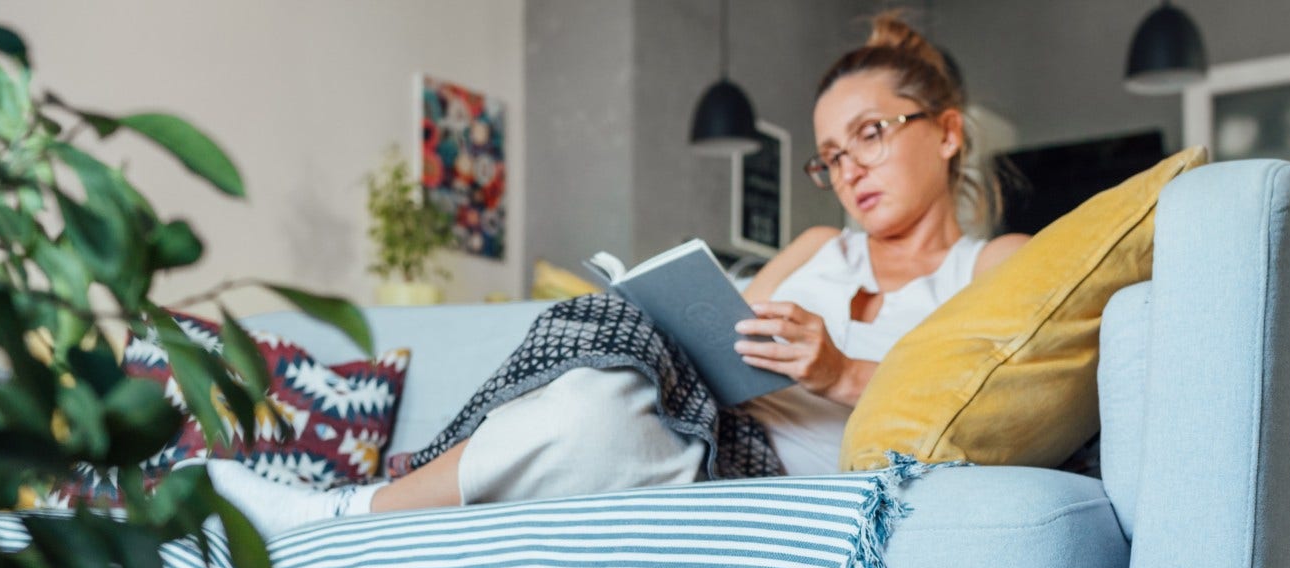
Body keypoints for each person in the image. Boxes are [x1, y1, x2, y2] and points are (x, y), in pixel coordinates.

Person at [200, 12, 1029, 538]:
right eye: (832, 155)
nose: (850, 169)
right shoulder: (817, 246)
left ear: (947, 132)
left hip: (768, 476)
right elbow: (723, 342)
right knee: (598, 393)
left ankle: (340, 507)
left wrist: (841, 371)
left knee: (594, 419)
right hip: (702, 432)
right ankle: (354, 511)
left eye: (872, 133)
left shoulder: (995, 265)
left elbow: (996, 410)